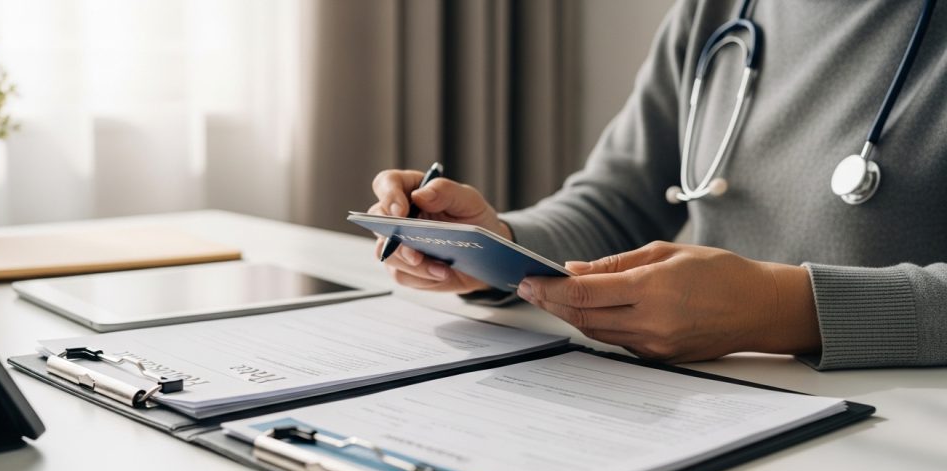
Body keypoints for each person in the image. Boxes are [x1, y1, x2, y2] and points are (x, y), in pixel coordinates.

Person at [367, 0, 947, 370]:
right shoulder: (715, 11)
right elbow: (617, 204)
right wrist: (495, 244)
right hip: (719, 409)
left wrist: (781, 310)